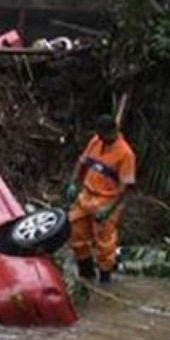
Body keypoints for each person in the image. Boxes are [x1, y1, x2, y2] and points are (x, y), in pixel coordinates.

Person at [65, 115, 136, 283]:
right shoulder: (96, 141)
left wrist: (109, 209)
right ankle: (86, 276)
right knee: (76, 234)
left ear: (112, 132)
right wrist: (73, 183)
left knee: (104, 244)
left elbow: (125, 187)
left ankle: (105, 280)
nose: (101, 138)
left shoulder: (126, 154)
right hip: (87, 195)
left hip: (107, 200)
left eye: (103, 135)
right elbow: (82, 162)